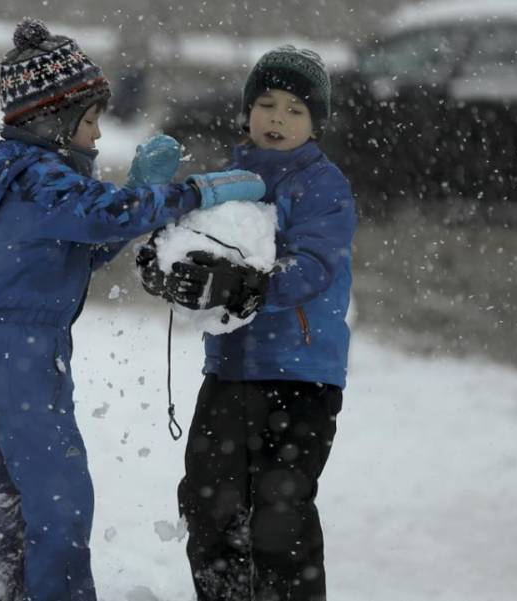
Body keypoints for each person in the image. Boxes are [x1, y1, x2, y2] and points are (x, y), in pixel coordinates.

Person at [0, 18, 265, 601]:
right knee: (61, 502)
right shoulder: (41, 179)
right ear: (53, 120)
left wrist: (137, 191)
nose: (97, 134)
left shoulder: (28, 177)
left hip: (2, 352)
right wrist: (195, 192)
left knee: (9, 495)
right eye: (90, 119)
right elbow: (107, 215)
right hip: (23, 355)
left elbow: (88, 247)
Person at [137, 45, 356, 601]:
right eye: (266, 104)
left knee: (279, 515)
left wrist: (247, 286)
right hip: (230, 371)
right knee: (209, 503)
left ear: (315, 125)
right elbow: (191, 243)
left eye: (295, 110)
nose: (278, 118)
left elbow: (315, 266)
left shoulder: (322, 186)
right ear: (247, 111)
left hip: (301, 376)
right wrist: (164, 264)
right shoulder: (227, 182)